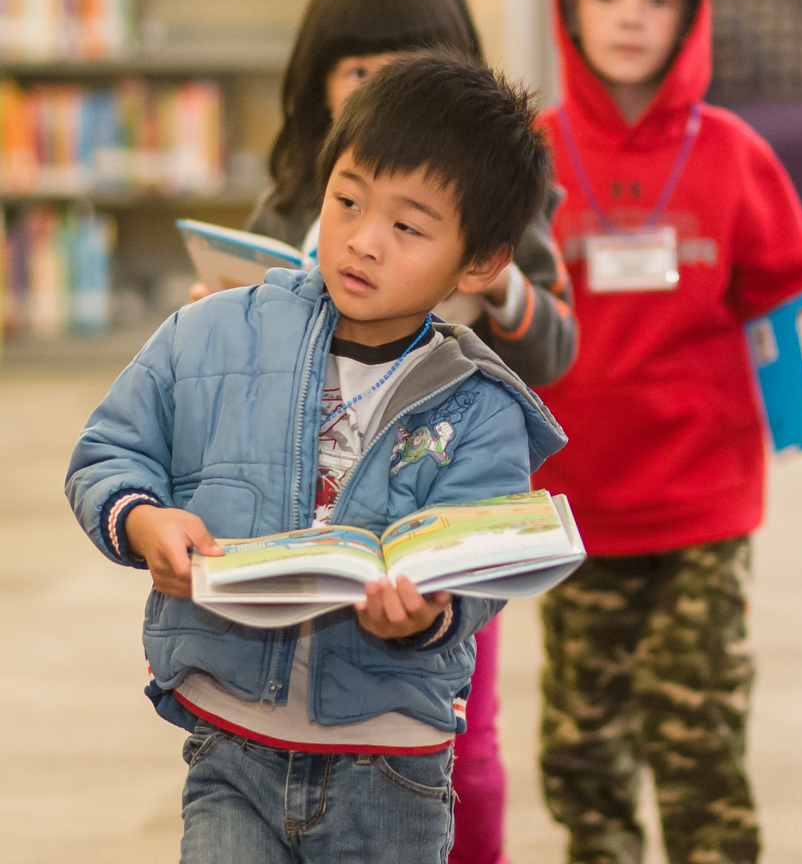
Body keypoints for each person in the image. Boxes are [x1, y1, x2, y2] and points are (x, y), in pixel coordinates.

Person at [65, 53, 567, 864]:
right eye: (347, 200)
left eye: (407, 227)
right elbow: (108, 450)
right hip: (232, 746)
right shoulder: (215, 332)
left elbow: (474, 572)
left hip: (391, 769)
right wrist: (142, 519)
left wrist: (428, 614)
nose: (363, 242)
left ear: (478, 263)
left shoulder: (481, 405)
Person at [208, 0, 578, 864]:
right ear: (318, 87)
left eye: (417, 63)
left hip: (440, 515)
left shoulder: (493, 213)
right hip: (307, 512)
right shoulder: (297, 201)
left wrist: (492, 292)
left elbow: (557, 345)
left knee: (458, 731)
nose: (392, 87)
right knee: (278, 723)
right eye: (362, 69)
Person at [532, 0, 802, 864]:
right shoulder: (534, 152)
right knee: (583, 751)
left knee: (699, 739)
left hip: (704, 500)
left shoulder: (731, 153)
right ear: (569, 11)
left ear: (690, 18)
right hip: (574, 501)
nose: (631, 16)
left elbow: (795, 297)